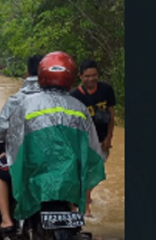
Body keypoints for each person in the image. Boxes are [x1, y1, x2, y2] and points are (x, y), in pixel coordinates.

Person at [0, 51, 106, 238]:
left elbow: (15, 141)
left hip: (37, 170)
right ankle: (74, 208)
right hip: (67, 173)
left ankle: (6, 220)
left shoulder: (25, 104)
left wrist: (8, 155)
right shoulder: (79, 107)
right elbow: (93, 150)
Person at [0, 55, 44, 239]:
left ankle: (5, 221)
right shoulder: (64, 99)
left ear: (27, 73)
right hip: (54, 161)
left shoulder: (16, 99)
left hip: (21, 161)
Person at [70, 59, 116, 217]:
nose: (91, 79)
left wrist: (109, 137)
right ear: (81, 76)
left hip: (102, 139)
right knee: (82, 173)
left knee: (95, 171)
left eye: (94, 75)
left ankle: (85, 200)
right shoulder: (74, 96)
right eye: (87, 76)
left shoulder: (106, 90)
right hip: (83, 141)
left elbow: (111, 114)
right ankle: (84, 206)